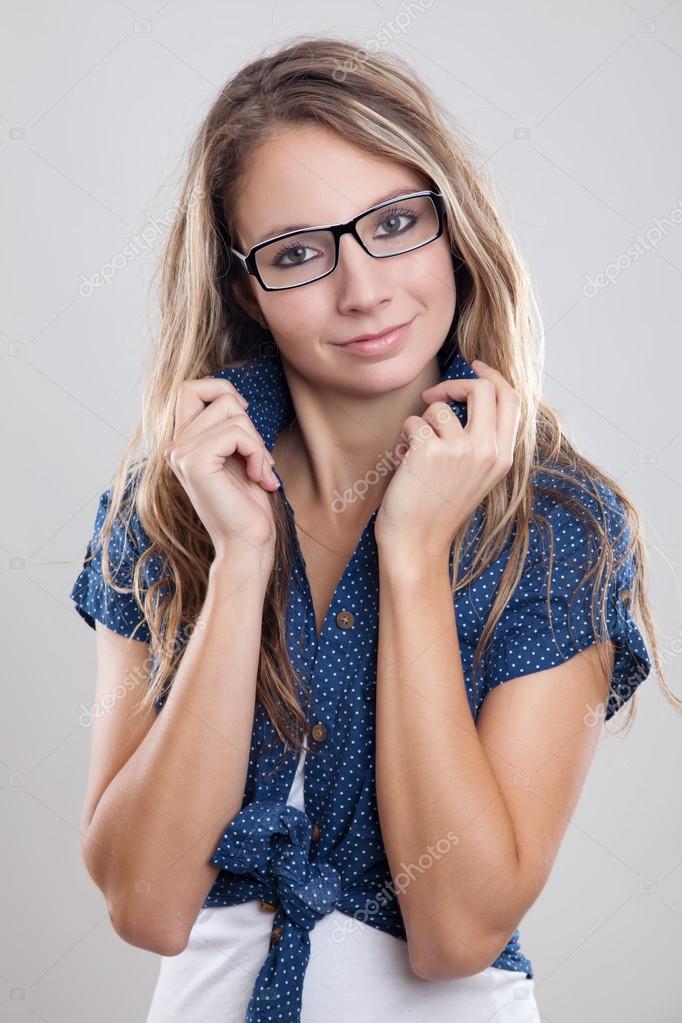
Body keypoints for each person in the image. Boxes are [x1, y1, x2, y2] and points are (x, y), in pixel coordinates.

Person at [69, 36, 674, 1023]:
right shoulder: (166, 505)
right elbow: (145, 903)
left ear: (451, 229)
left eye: (395, 223)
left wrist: (411, 559)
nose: (363, 290)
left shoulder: (557, 527)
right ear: (242, 288)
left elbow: (456, 930)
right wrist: (239, 563)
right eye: (299, 253)